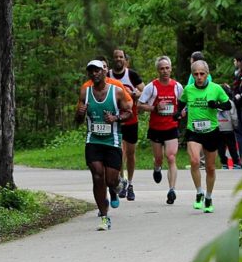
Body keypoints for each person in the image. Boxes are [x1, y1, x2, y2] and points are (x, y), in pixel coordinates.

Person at [76, 60, 134, 230]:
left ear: (104, 72)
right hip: (93, 140)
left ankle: (118, 184)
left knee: (111, 180)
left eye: (97, 71)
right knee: (97, 176)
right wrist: (79, 114)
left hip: (112, 141)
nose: (94, 74)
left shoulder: (116, 91)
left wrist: (116, 118)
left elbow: (129, 112)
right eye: (91, 71)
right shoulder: (85, 92)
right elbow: (78, 120)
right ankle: (104, 215)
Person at [175, 60, 231, 213]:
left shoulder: (216, 88)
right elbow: (181, 103)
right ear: (192, 75)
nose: (199, 77)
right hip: (194, 131)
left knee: (210, 168)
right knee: (194, 161)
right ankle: (199, 192)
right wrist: (178, 113)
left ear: (207, 74)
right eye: (196, 74)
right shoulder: (188, 89)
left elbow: (228, 105)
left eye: (202, 74)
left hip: (211, 131)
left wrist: (216, 105)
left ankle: (208, 197)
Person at [138, 56, 183, 204]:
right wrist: (154, 108)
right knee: (159, 158)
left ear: (171, 69)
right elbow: (140, 106)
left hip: (171, 127)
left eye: (167, 68)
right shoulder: (152, 87)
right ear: (158, 70)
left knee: (171, 157)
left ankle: (172, 190)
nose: (165, 71)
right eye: (161, 68)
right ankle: (157, 168)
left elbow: (184, 105)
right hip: (156, 128)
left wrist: (182, 113)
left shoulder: (177, 87)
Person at [109, 49, 144, 201]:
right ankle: (121, 180)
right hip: (115, 120)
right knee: (119, 152)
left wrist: (137, 94)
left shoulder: (132, 75)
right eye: (116, 57)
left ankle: (129, 183)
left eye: (121, 57)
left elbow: (145, 91)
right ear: (113, 59)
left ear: (125, 59)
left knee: (130, 153)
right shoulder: (107, 75)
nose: (118, 59)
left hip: (131, 119)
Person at [216, 84, 241, 169]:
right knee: (232, 147)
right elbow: (234, 116)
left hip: (218, 128)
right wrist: (235, 126)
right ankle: (236, 163)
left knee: (221, 147)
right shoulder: (230, 103)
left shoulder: (215, 102)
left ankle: (224, 164)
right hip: (229, 128)